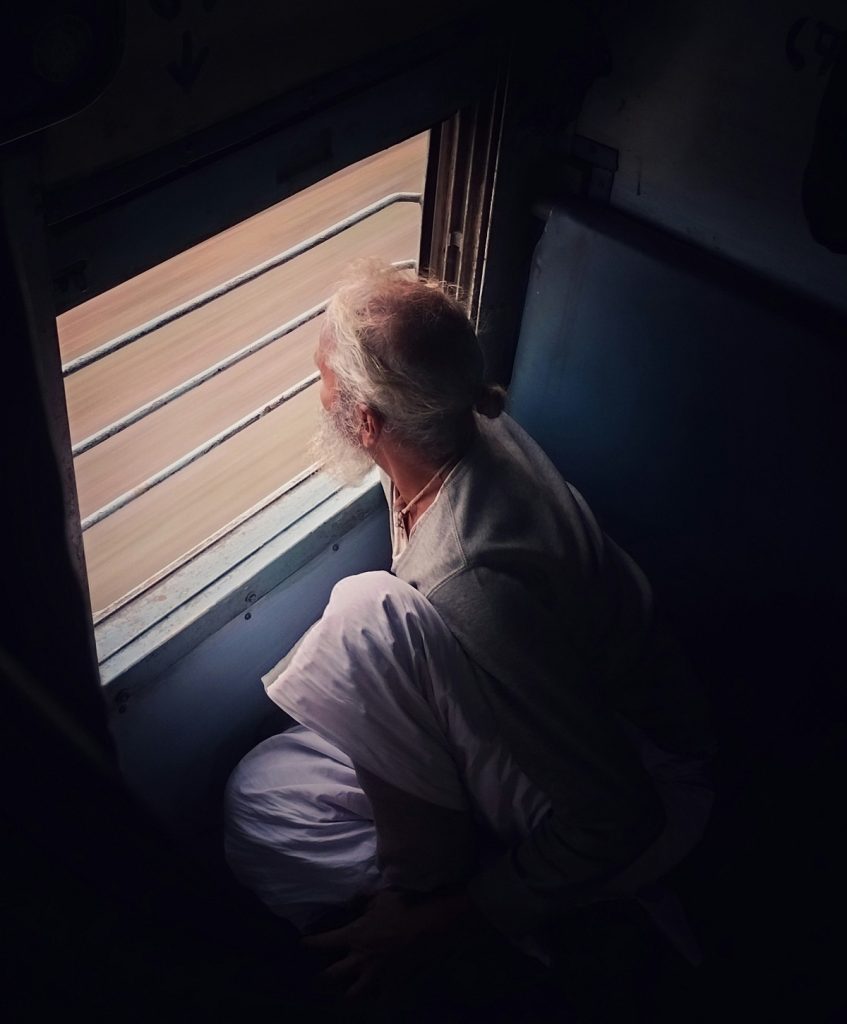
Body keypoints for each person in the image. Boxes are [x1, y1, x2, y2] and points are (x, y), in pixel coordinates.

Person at [223, 259, 714, 1001]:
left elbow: (620, 816)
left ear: (365, 421)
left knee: (363, 613)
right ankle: (448, 861)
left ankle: (468, 910)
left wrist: (441, 920)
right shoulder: (453, 426)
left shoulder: (469, 577)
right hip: (534, 719)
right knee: (263, 795)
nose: (315, 393)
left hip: (638, 787)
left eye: (322, 378)